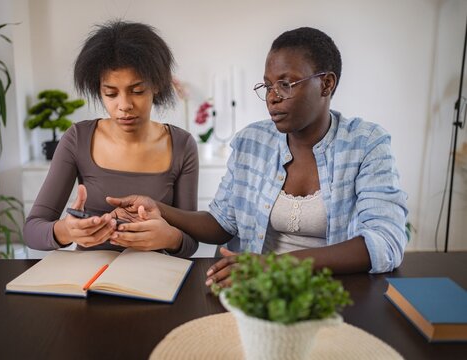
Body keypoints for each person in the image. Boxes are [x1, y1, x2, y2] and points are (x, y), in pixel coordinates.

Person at [107, 26, 408, 286]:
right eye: (267, 85)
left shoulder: (366, 144)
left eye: (286, 84)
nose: (273, 96)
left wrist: (272, 266)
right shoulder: (252, 141)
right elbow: (221, 223)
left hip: (333, 292)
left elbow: (385, 243)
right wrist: (159, 208)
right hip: (255, 288)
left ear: (326, 84)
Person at [24, 20, 199, 257]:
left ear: (157, 85)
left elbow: (190, 243)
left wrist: (169, 236)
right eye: (111, 93)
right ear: (99, 89)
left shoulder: (182, 145)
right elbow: (32, 230)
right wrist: (67, 231)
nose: (124, 106)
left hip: (154, 279)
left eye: (137, 91)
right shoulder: (78, 138)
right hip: (90, 279)